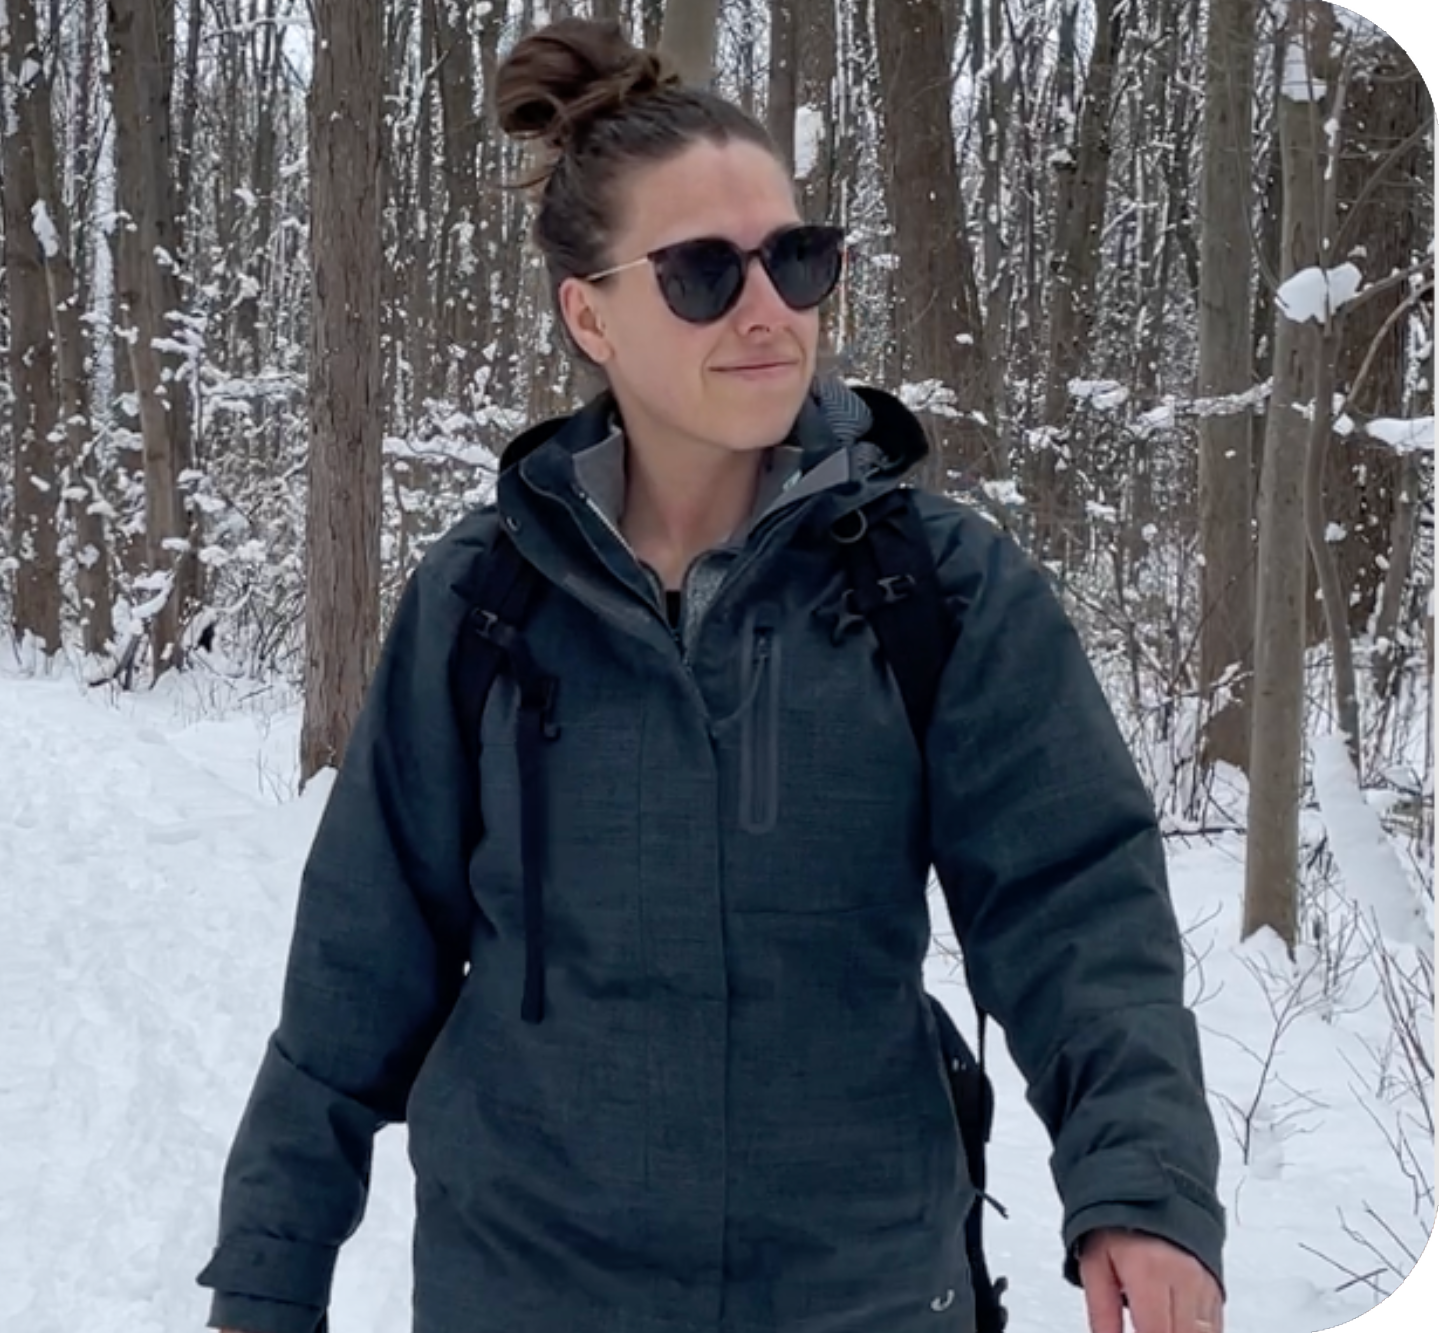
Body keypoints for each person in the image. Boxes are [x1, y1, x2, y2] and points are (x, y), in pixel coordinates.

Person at [196, 18, 1225, 1333]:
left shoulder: (935, 591)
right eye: (701, 272)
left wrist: (1140, 1185)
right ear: (591, 315)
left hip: (865, 1291)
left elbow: (1075, 910)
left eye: (798, 261)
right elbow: (357, 970)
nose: (768, 312)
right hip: (525, 1288)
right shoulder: (484, 604)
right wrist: (266, 1279)